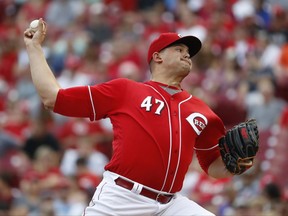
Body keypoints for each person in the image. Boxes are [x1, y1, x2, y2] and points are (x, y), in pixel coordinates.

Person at [24, 18, 255, 216]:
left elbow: (213, 166)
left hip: (170, 205)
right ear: (158, 56)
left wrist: (235, 167)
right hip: (120, 198)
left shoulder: (201, 111)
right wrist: (34, 48)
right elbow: (52, 97)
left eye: (189, 53)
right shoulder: (125, 91)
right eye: (179, 49)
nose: (187, 54)